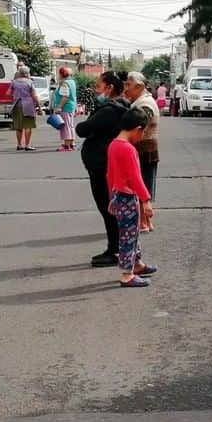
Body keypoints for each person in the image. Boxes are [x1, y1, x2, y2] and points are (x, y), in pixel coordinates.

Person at [76, 72, 129, 267]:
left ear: (109, 88)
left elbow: (83, 129)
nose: (95, 90)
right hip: (104, 163)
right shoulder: (119, 107)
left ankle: (115, 250)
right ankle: (117, 248)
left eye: (98, 87)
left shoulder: (110, 110)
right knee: (110, 208)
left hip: (103, 165)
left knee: (108, 208)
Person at [106, 107, 157, 287]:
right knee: (129, 236)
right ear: (138, 129)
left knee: (131, 233)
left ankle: (137, 264)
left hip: (118, 195)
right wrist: (146, 200)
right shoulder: (128, 149)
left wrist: (111, 196)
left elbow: (109, 175)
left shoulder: (113, 145)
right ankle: (127, 273)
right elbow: (135, 178)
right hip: (128, 196)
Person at [124, 72, 161, 200]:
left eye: (129, 85)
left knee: (143, 192)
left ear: (139, 87)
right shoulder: (139, 101)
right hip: (141, 150)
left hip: (144, 151)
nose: (126, 88)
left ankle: (145, 219)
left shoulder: (145, 104)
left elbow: (138, 124)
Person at [10, 65, 39, 151]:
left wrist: (15, 95)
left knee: (18, 126)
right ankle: (27, 145)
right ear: (26, 74)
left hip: (17, 104)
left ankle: (19, 144)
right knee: (28, 126)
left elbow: (8, 93)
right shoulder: (30, 82)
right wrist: (39, 106)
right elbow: (34, 95)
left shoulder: (14, 82)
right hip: (28, 105)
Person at [52, 67, 77, 151]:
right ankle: (71, 143)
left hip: (66, 107)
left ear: (61, 74)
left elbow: (65, 97)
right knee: (70, 125)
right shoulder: (72, 82)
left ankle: (66, 145)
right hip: (71, 106)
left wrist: (59, 107)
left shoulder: (65, 83)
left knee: (66, 126)